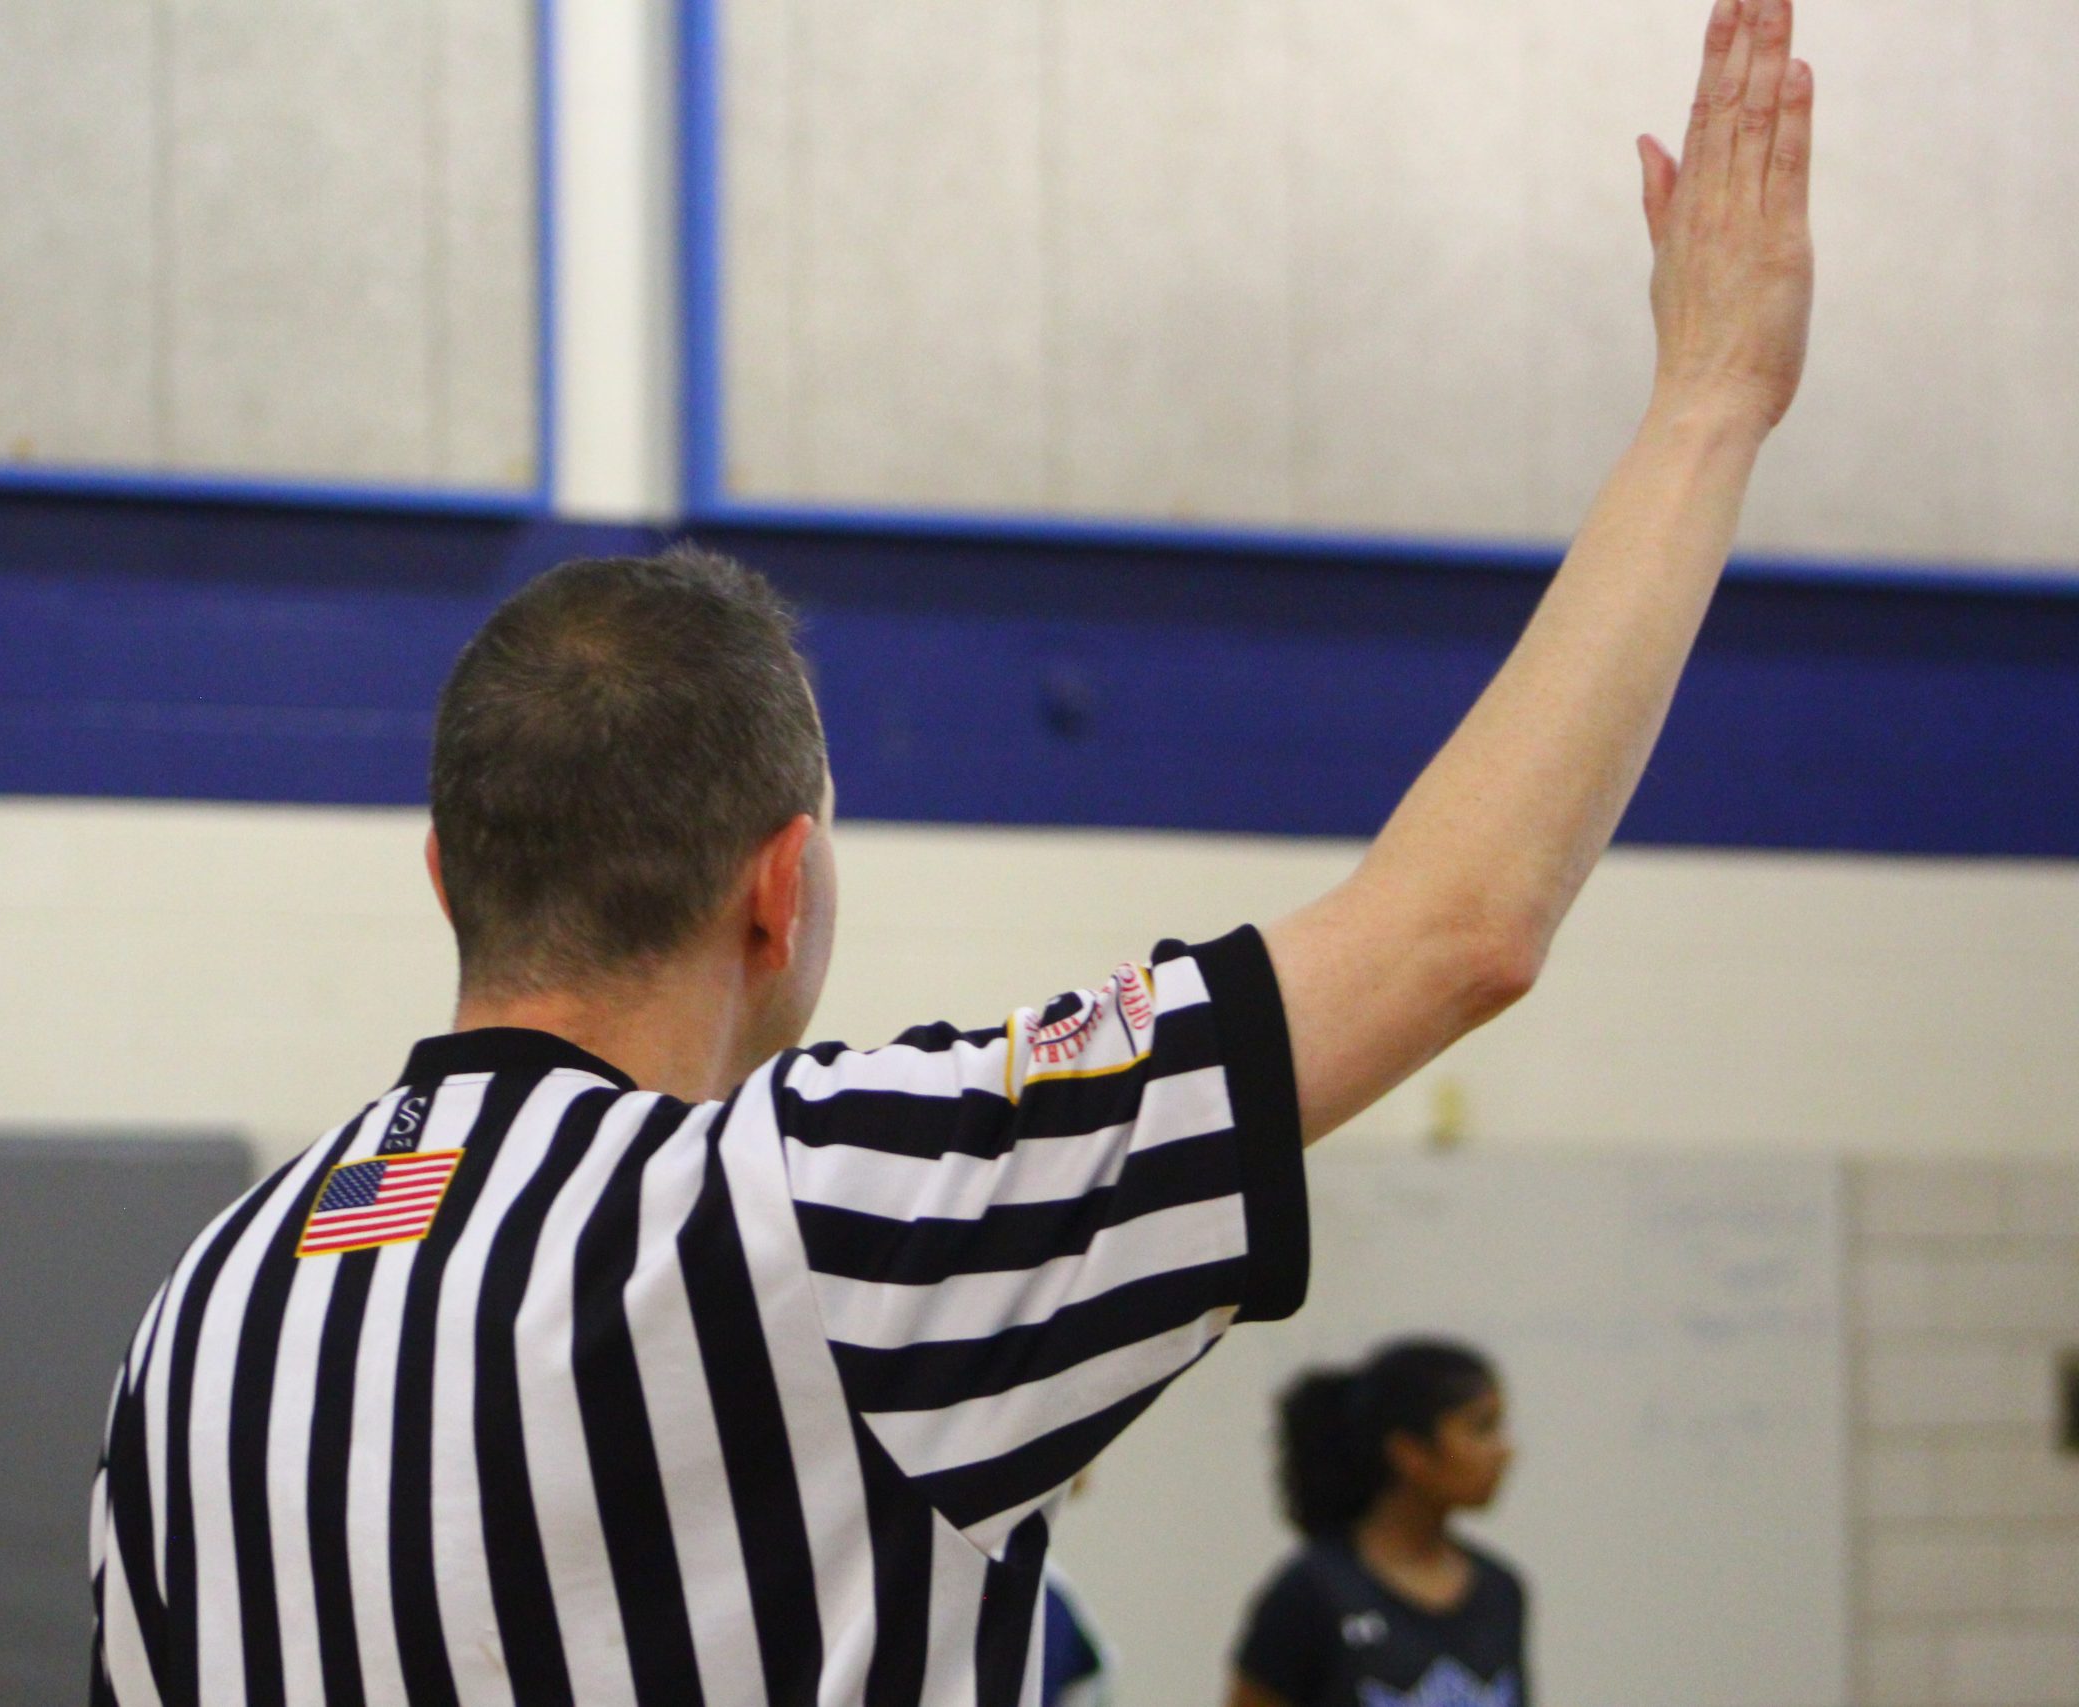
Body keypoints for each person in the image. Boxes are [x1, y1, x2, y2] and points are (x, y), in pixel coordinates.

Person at [88, 1, 1815, 1701]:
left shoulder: (200, 1317)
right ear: (782, 892)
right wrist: (1709, 404)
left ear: (449, 875)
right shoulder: (821, 1209)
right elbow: (1460, 930)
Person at [1227, 1342, 1523, 1707]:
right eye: (1481, 1428)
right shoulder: (1312, 1594)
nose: (1504, 1451)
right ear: (1408, 1451)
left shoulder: (1501, 1591)